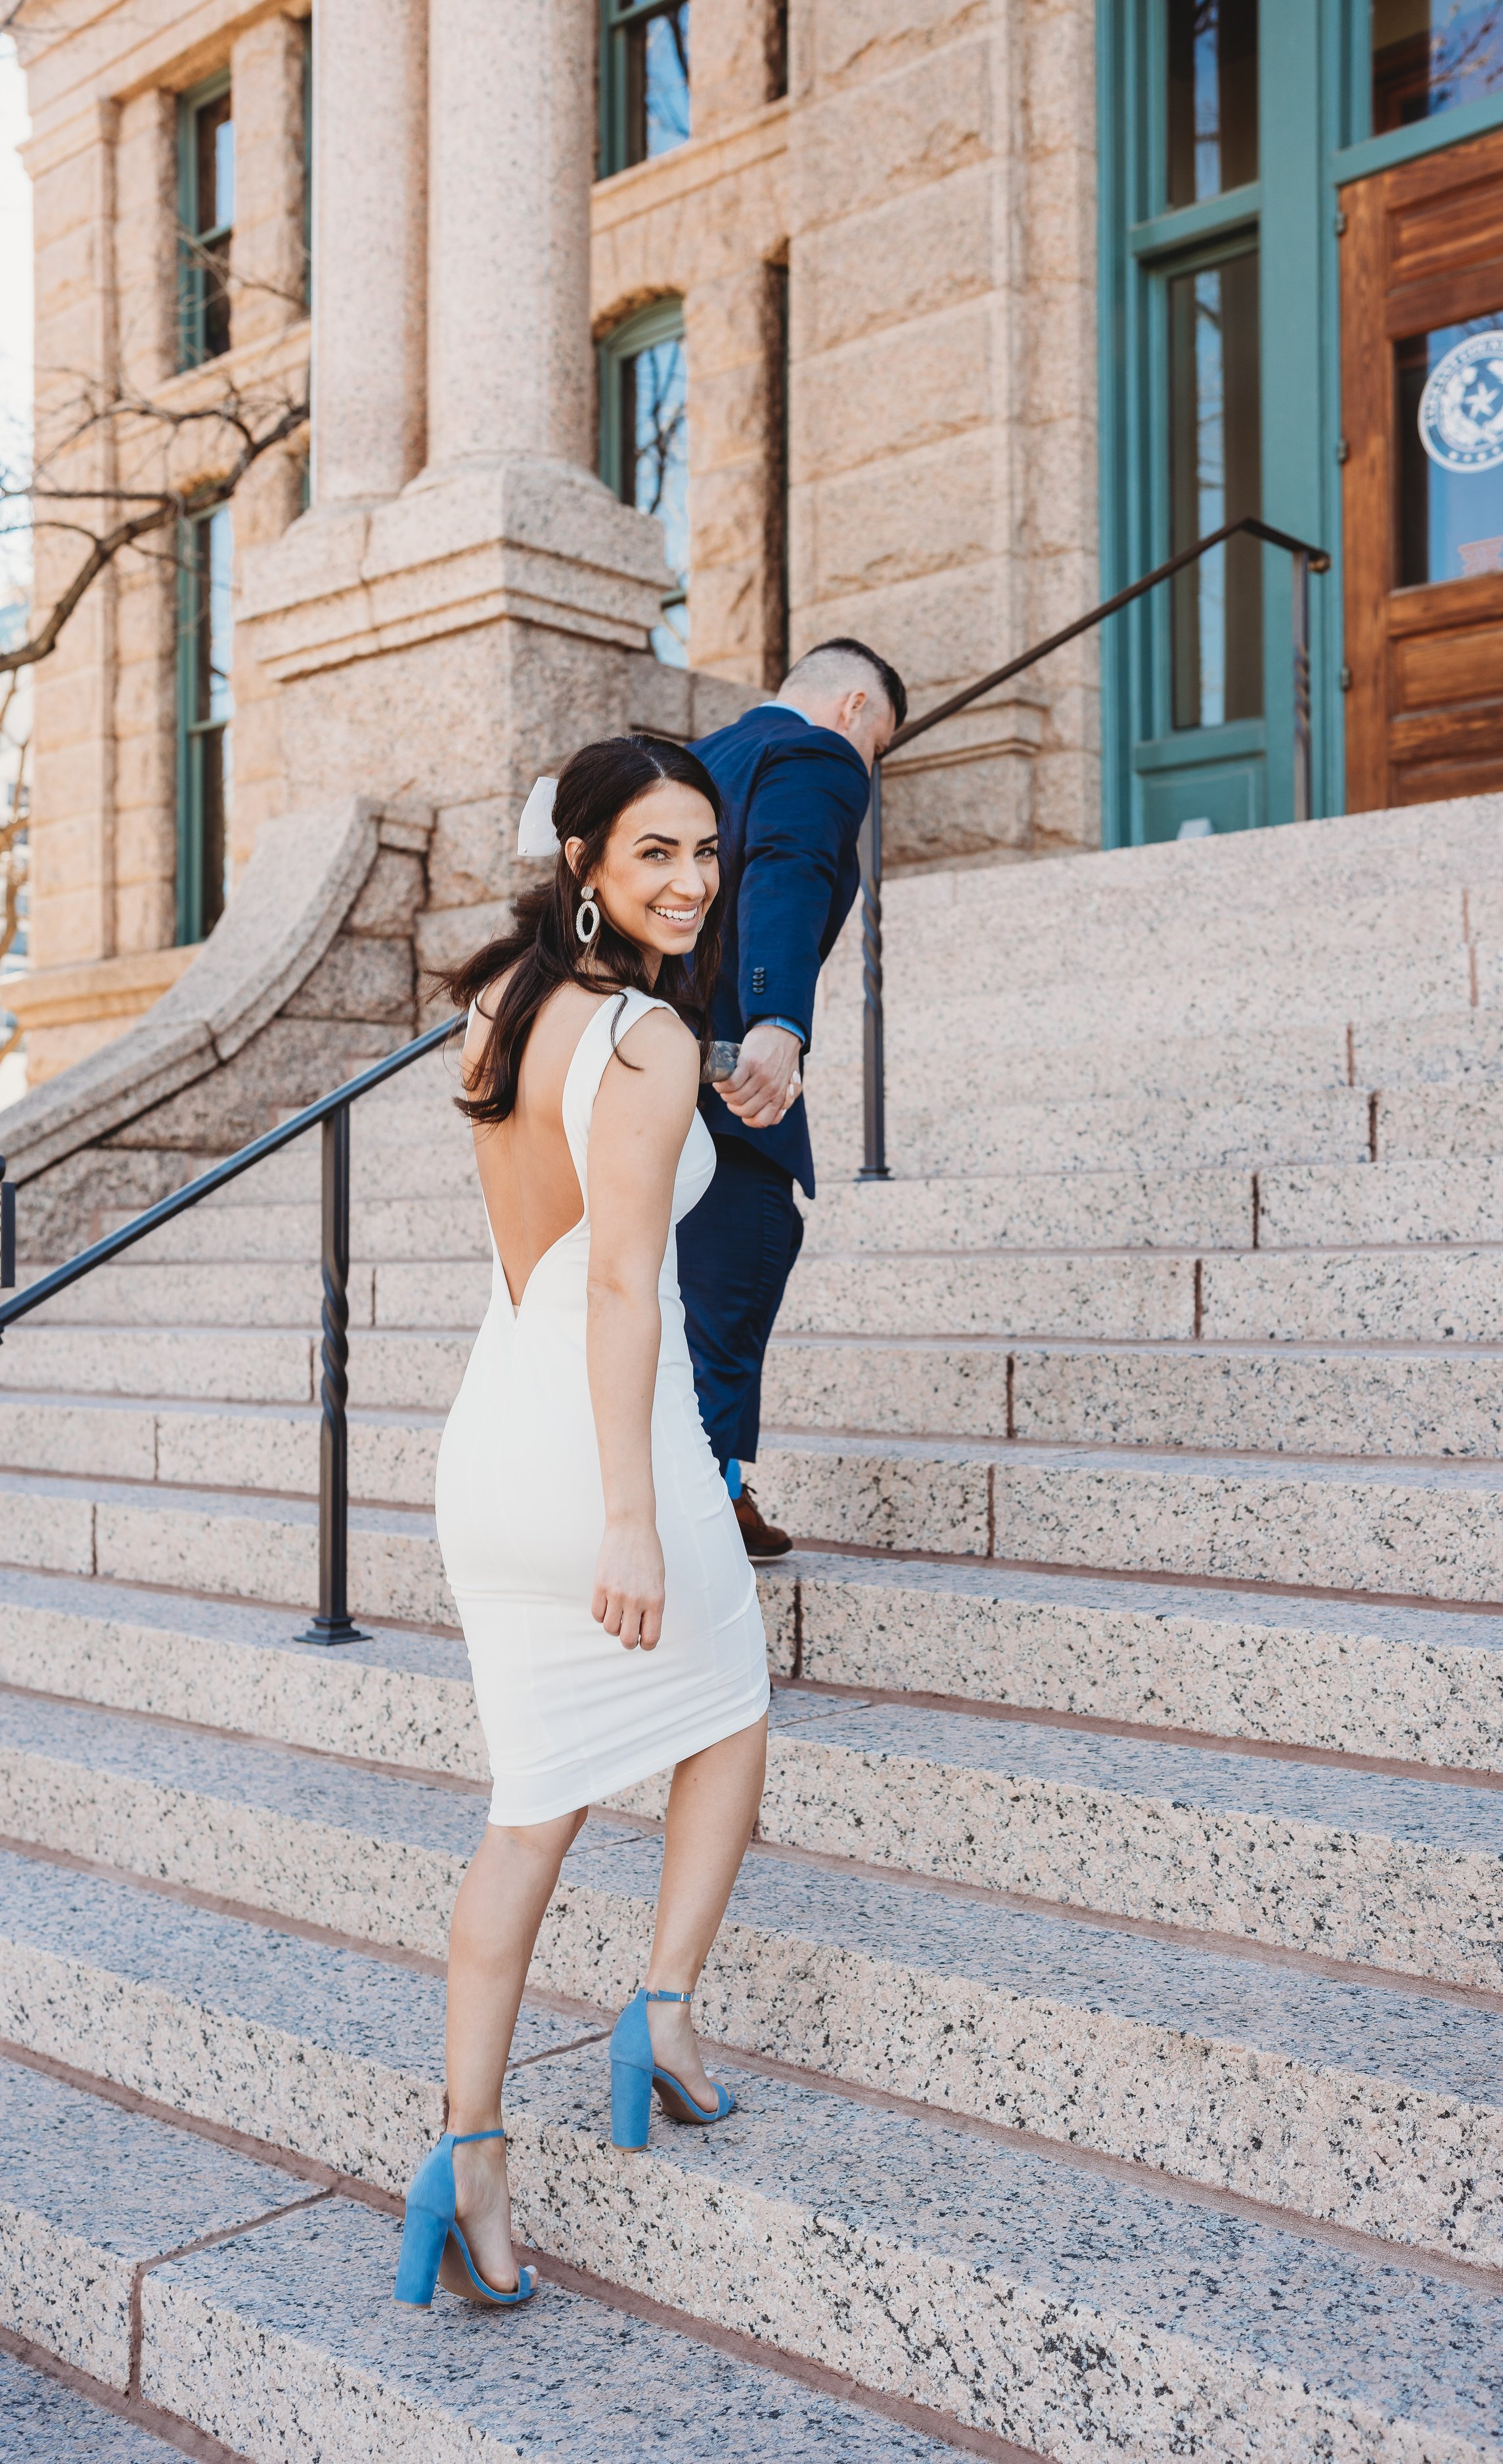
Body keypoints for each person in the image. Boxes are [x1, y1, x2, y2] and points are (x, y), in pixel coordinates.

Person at [394, 736, 770, 2315]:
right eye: (654, 854)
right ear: (585, 861)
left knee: (531, 1803)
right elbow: (622, 1280)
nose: (687, 881)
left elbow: (560, 1206)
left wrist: (730, 1081)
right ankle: (661, 2015)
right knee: (732, 1713)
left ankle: (465, 2160)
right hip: (605, 1443)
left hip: (491, 1440)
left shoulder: (506, 1003)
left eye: (704, 853)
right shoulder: (642, 1043)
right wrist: (632, 1517)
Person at [680, 637, 907, 1558]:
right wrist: (778, 1018)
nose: (869, 766)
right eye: (880, 743)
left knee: (692, 1298)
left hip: (658, 1074)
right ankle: (699, 1511)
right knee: (731, 1293)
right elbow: (788, 864)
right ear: (853, 706)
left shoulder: (699, 761)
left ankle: (722, 1490)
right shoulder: (816, 752)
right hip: (729, 1088)